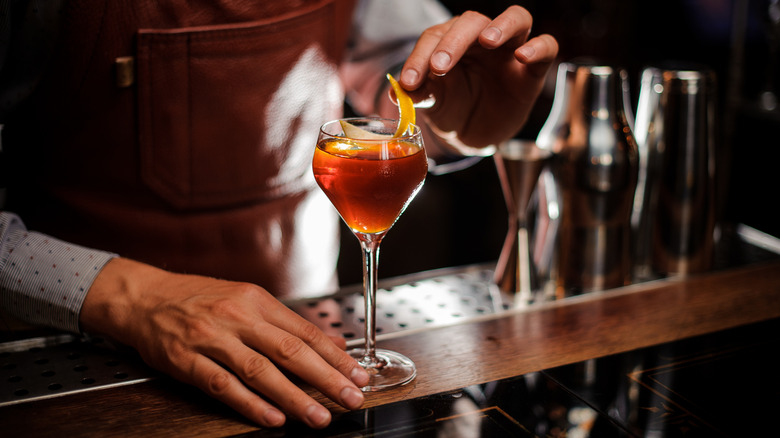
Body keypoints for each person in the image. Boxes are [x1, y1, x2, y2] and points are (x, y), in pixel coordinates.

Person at [0, 0, 557, 430]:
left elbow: (400, 91)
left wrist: (457, 122)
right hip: (82, 364)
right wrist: (132, 298)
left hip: (307, 352)